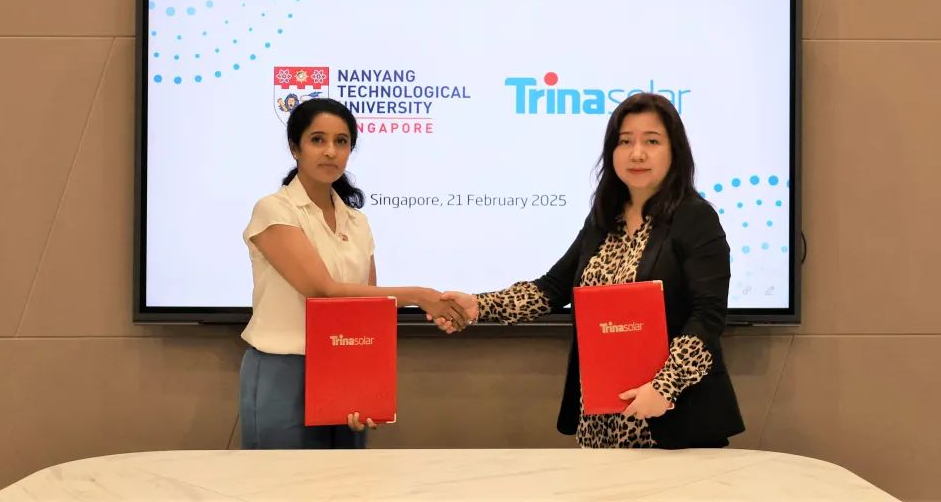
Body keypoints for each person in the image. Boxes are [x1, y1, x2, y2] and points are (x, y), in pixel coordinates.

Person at [436, 93, 744, 448]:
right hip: (600, 416)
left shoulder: (694, 217)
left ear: (675, 151)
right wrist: (479, 305)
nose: (637, 153)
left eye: (652, 141)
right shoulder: (604, 219)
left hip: (670, 413)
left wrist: (664, 387)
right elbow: (552, 288)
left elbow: (708, 316)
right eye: (625, 141)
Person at [239, 98, 466, 449]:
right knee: (283, 479)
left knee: (348, 478)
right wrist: (420, 296)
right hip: (284, 369)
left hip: (344, 364)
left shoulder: (357, 221)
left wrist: (365, 384)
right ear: (295, 148)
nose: (330, 151)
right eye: (318, 140)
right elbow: (322, 291)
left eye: (341, 141)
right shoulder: (274, 209)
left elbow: (365, 313)